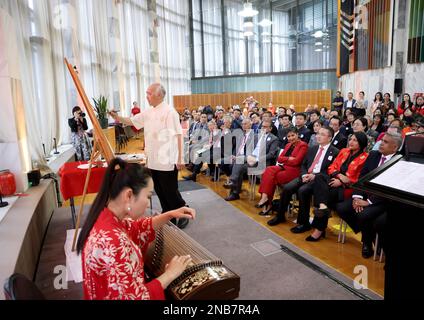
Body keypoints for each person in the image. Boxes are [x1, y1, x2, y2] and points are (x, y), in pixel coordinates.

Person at [77, 158, 196, 300]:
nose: (148, 204)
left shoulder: (104, 215)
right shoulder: (113, 242)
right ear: (128, 195)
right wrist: (169, 274)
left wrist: (169, 214)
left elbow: (135, 229)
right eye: (148, 196)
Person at [109, 83, 189, 229]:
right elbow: (132, 121)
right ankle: (168, 211)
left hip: (167, 159)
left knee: (170, 189)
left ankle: (183, 210)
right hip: (153, 159)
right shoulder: (149, 112)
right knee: (158, 188)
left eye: (149, 93)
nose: (147, 97)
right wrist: (117, 117)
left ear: (159, 95)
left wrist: (180, 158)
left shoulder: (169, 112)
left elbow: (178, 136)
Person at [336, 131, 402, 258]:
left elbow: (390, 188)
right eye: (382, 140)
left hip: (383, 200)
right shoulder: (373, 155)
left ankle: (367, 242)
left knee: (363, 215)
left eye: (385, 142)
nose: (381, 143)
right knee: (342, 208)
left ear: (395, 147)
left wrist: (369, 202)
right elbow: (362, 177)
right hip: (365, 194)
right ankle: (368, 236)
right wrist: (357, 197)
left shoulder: (399, 161)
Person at [304, 132, 369, 241]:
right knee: (319, 177)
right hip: (335, 180)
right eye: (350, 139)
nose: (351, 142)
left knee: (325, 196)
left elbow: (361, 179)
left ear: (361, 143)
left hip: (348, 187)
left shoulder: (365, 158)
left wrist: (343, 182)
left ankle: (319, 229)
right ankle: (323, 208)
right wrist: (339, 176)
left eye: (355, 140)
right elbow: (332, 167)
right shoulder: (344, 151)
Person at [268, 127, 339, 226]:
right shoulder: (312, 148)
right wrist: (304, 174)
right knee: (287, 188)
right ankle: (280, 216)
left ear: (330, 138)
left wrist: (314, 176)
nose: (318, 136)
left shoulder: (335, 152)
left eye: (322, 134)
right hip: (305, 175)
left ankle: (303, 222)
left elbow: (331, 171)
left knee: (303, 191)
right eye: (318, 134)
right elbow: (304, 164)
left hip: (318, 179)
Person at [255, 127, 308, 215]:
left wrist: (286, 159)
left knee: (270, 178)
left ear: (297, 135)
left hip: (294, 171)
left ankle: (267, 205)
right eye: (288, 136)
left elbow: (296, 161)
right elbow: (279, 159)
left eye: (293, 135)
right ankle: (265, 198)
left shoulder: (303, 145)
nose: (290, 138)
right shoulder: (288, 145)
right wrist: (289, 159)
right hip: (283, 167)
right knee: (268, 170)